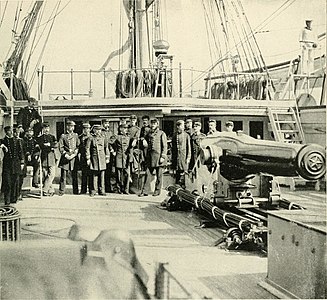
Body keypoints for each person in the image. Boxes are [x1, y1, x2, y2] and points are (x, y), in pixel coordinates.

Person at [139, 118, 167, 197]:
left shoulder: (161, 133)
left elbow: (165, 146)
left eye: (154, 124)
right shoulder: (149, 133)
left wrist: (163, 156)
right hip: (150, 157)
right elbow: (143, 138)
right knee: (148, 174)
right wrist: (143, 139)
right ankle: (145, 191)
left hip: (159, 157)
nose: (153, 125)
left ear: (157, 124)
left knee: (159, 176)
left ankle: (157, 191)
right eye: (152, 123)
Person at [0, 126, 24, 204]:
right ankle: (7, 201)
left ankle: (13, 199)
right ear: (6, 132)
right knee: (8, 183)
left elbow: (21, 152)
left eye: (11, 131)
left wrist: (22, 162)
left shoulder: (17, 140)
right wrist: (3, 146)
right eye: (9, 131)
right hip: (7, 164)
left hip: (16, 164)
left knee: (15, 182)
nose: (11, 133)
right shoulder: (3, 140)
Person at [86, 124, 110, 197]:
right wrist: (88, 158)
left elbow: (106, 148)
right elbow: (87, 148)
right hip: (94, 158)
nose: (98, 131)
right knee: (94, 175)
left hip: (102, 159)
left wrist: (107, 157)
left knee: (102, 175)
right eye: (96, 130)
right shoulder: (90, 138)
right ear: (93, 130)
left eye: (99, 130)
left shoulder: (103, 138)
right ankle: (93, 191)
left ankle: (102, 191)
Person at [58, 120, 80, 196]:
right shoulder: (63, 136)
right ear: (67, 126)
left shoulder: (76, 135)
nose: (72, 128)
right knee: (63, 176)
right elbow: (60, 147)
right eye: (70, 126)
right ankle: (61, 191)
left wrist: (74, 154)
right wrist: (65, 155)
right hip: (65, 158)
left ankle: (76, 191)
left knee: (75, 175)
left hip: (74, 158)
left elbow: (78, 146)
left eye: (73, 126)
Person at [37, 122, 57, 196]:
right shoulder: (40, 138)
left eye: (47, 128)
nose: (46, 130)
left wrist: (49, 145)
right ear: (43, 129)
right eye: (45, 128)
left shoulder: (52, 137)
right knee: (45, 175)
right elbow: (40, 146)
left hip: (51, 156)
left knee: (52, 174)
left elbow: (56, 145)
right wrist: (45, 145)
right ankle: (51, 190)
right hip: (44, 157)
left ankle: (44, 190)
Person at [171, 120, 191, 188]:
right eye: (181, 125)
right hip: (176, 158)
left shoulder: (186, 135)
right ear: (178, 126)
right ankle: (177, 188)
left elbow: (189, 148)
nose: (183, 127)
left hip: (184, 157)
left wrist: (188, 157)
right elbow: (173, 149)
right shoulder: (174, 135)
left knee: (184, 173)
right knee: (177, 174)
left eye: (183, 125)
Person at [113, 124, 132, 194]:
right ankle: (119, 189)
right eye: (124, 128)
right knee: (118, 174)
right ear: (120, 129)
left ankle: (126, 189)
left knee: (127, 174)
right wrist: (113, 151)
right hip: (119, 156)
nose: (126, 129)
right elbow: (109, 143)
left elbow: (131, 147)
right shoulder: (117, 136)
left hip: (126, 157)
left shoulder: (129, 137)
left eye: (127, 128)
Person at [102, 118, 116, 193]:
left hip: (109, 155)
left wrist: (113, 150)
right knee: (102, 171)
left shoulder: (110, 133)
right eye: (105, 123)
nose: (107, 125)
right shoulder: (101, 132)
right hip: (102, 154)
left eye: (108, 123)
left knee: (108, 172)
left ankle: (108, 188)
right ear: (102, 124)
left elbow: (112, 142)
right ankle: (101, 188)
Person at [79, 122, 93, 194]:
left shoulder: (91, 137)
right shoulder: (80, 137)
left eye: (87, 128)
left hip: (91, 157)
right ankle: (83, 190)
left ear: (89, 129)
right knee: (84, 174)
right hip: (82, 157)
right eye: (84, 128)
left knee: (90, 174)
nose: (86, 130)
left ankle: (91, 190)